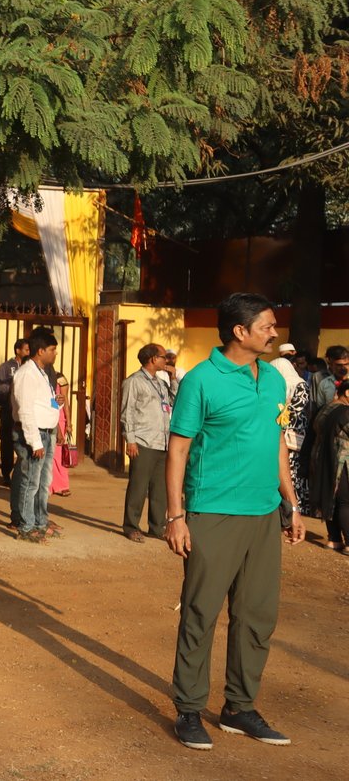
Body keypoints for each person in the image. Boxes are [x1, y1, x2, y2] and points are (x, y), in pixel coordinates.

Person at [165, 292, 305, 751]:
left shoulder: (274, 379)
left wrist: (291, 502)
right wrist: (176, 515)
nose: (274, 333)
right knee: (201, 612)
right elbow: (178, 449)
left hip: (263, 514)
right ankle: (189, 709)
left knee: (257, 615)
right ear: (239, 331)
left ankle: (239, 708)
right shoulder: (201, 381)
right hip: (213, 512)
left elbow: (278, 442)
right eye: (267, 326)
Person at [11, 329, 60, 543]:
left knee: (42, 482)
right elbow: (25, 410)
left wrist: (56, 403)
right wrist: (34, 441)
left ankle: (40, 522)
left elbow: (41, 404)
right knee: (30, 481)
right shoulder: (26, 374)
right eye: (52, 349)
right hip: (34, 433)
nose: (55, 353)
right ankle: (26, 527)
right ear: (40, 351)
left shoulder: (42, 373)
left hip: (46, 432)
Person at [120, 343, 172, 544]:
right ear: (153, 359)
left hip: (162, 441)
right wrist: (130, 440)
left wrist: (174, 380)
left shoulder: (161, 383)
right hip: (143, 441)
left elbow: (173, 401)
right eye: (163, 356)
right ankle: (131, 526)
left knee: (160, 489)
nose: (166, 360)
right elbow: (127, 412)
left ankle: (157, 527)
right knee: (138, 487)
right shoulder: (134, 381)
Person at [310, 377, 349, 553]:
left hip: (321, 461)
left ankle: (334, 539)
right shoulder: (345, 412)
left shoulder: (325, 409)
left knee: (329, 498)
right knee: (345, 502)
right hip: (341, 463)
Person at [271, 351, 312, 510]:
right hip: (291, 433)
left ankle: (290, 505)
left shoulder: (292, 384)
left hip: (288, 434)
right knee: (288, 468)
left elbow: (293, 411)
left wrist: (280, 416)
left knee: (289, 469)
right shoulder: (300, 384)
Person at [0, 339, 31, 485]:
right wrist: (12, 386)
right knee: (7, 444)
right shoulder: (6, 367)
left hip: (26, 414)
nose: (29, 352)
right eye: (26, 350)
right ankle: (6, 474)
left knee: (25, 445)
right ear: (18, 350)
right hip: (8, 412)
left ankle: (22, 476)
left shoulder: (31, 367)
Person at [49, 375, 73, 498]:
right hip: (45, 417)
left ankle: (61, 485)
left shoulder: (60, 378)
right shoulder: (41, 377)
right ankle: (48, 486)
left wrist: (68, 423)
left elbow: (65, 401)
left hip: (59, 419)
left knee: (58, 455)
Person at [313, 345, 349, 414]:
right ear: (331, 364)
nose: (343, 368)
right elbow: (320, 408)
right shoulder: (324, 384)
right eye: (339, 365)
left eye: (346, 364)